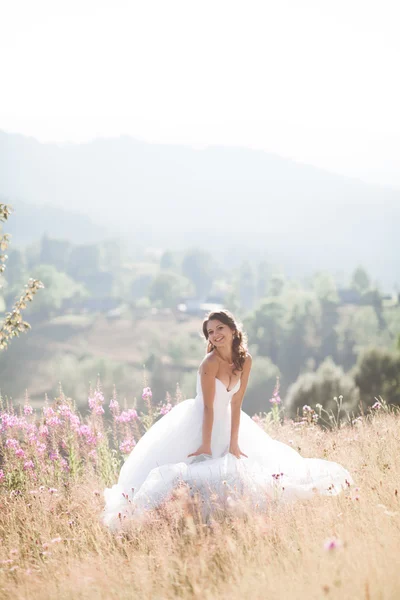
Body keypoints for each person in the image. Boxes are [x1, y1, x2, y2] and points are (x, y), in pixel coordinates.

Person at [103, 310, 353, 530]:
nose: (215, 335)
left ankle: (228, 517)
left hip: (229, 420)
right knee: (196, 470)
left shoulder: (245, 360)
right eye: (210, 332)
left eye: (219, 328)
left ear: (233, 329)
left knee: (245, 467)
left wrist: (234, 441)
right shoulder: (208, 364)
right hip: (200, 421)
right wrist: (205, 443)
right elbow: (209, 408)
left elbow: (236, 402)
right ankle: (178, 521)